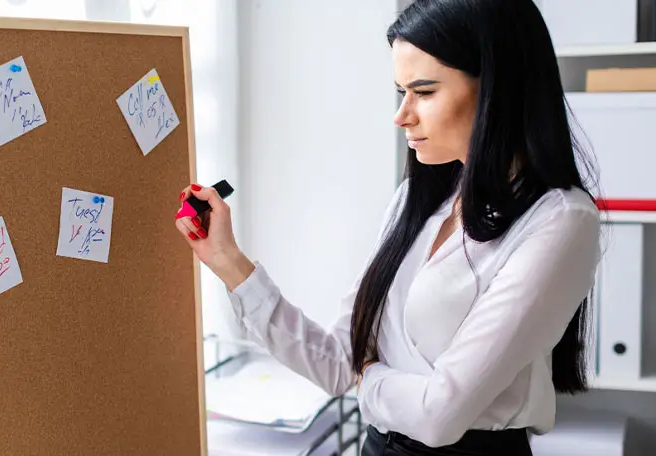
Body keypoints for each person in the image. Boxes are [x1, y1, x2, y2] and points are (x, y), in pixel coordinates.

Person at [174, 0, 602, 454]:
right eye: (402, 92)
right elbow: (339, 363)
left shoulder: (560, 220)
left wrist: (371, 378)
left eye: (424, 91)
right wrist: (227, 260)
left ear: (499, 89)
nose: (402, 115)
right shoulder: (415, 203)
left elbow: (439, 416)